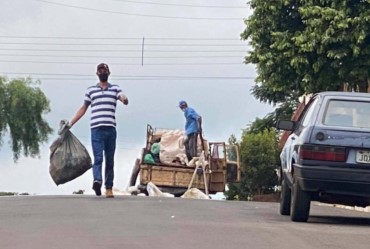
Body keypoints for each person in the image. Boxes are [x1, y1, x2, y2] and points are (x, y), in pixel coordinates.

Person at [69, 63, 129, 198]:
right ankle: (97, 181)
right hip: (96, 129)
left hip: (110, 129)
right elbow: (83, 108)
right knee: (98, 158)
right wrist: (71, 123)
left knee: (110, 159)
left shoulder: (115, 88)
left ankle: (109, 188)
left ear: (108, 72)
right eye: (100, 70)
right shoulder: (91, 91)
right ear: (97, 73)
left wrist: (124, 99)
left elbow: (122, 97)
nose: (102, 72)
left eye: (105, 70)